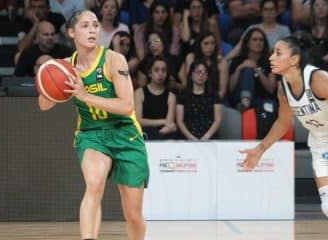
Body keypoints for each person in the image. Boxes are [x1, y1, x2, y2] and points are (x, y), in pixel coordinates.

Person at [38, 10, 149, 240]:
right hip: (92, 134)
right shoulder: (65, 68)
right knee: (95, 183)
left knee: (133, 215)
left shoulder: (113, 59)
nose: (92, 30)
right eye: (85, 26)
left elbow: (127, 105)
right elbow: (44, 105)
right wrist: (49, 84)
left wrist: (85, 95)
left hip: (125, 134)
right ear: (71, 32)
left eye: (95, 26)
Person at [241, 34, 328, 239]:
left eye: (278, 53)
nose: (271, 57)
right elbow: (283, 122)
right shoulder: (283, 88)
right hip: (322, 142)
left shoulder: (317, 79)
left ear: (294, 59)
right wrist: (260, 149)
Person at [176, 59, 222, 140]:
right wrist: (192, 139)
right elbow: (179, 121)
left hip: (209, 138)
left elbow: (218, 119)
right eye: (198, 72)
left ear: (207, 76)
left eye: (204, 72)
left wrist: (206, 137)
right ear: (191, 74)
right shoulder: (183, 95)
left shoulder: (214, 94)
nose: (201, 75)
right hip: (187, 138)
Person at [134, 56, 177, 140]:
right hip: (143, 134)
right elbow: (138, 121)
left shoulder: (171, 96)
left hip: (164, 134)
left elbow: (169, 124)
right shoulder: (139, 93)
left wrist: (159, 133)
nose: (160, 73)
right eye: (156, 70)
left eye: (163, 70)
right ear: (150, 73)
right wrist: (162, 121)